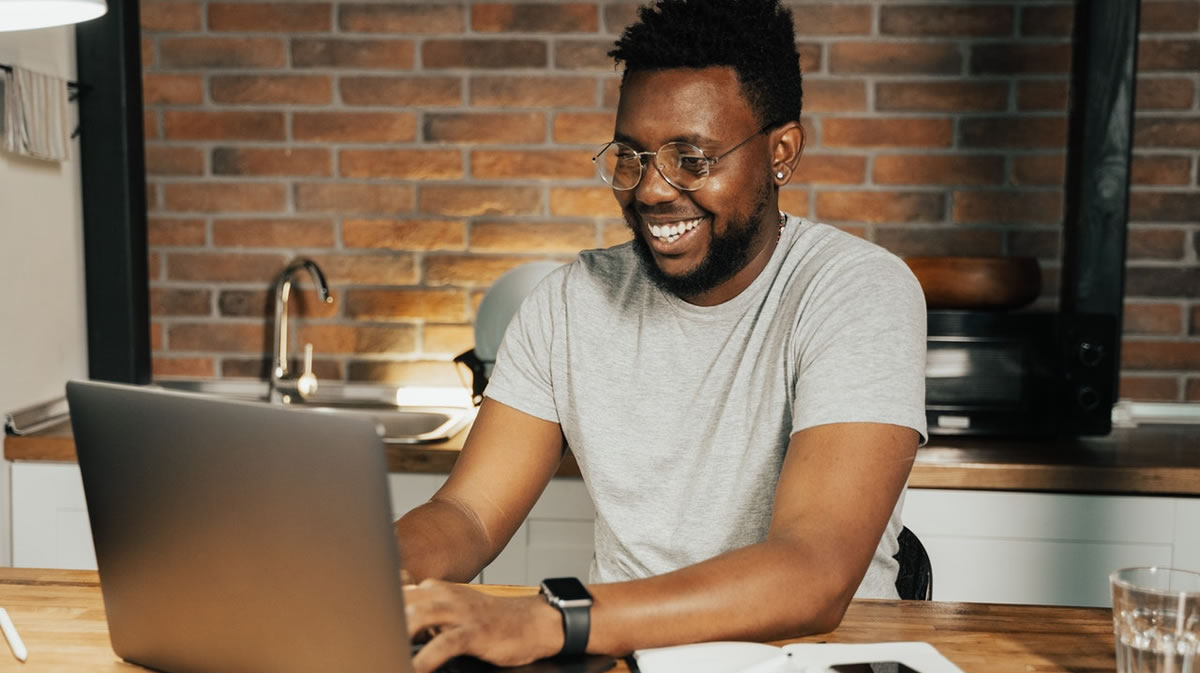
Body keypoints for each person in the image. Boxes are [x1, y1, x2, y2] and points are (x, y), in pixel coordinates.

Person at [394, 0, 927, 670]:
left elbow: (811, 571)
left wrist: (555, 618)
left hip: (807, 660)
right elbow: (468, 513)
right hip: (620, 658)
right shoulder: (568, 303)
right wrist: (371, 571)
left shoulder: (858, 291)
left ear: (782, 151)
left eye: (692, 160)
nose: (650, 190)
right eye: (633, 156)